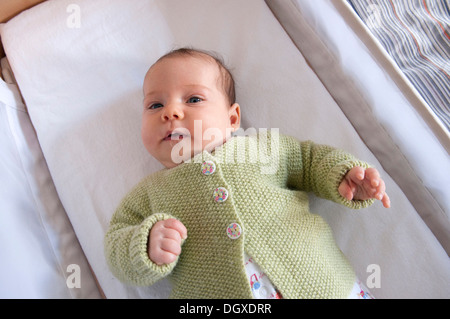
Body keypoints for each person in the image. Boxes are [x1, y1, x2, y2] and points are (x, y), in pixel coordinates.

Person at [104, 48, 390, 299]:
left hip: (327, 286)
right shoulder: (149, 193)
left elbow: (308, 160)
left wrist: (344, 175)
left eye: (193, 99)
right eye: (155, 105)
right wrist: (146, 244)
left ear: (231, 119)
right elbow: (116, 241)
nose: (171, 112)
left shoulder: (259, 148)